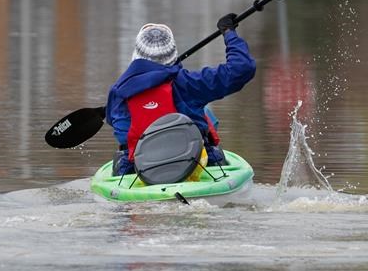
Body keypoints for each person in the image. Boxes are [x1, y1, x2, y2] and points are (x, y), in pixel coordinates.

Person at [105, 15, 256, 176]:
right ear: (173, 54)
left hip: (139, 173)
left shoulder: (118, 92)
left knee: (121, 156)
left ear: (137, 56)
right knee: (207, 117)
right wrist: (228, 33)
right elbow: (242, 68)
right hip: (195, 167)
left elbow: (115, 124)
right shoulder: (189, 84)